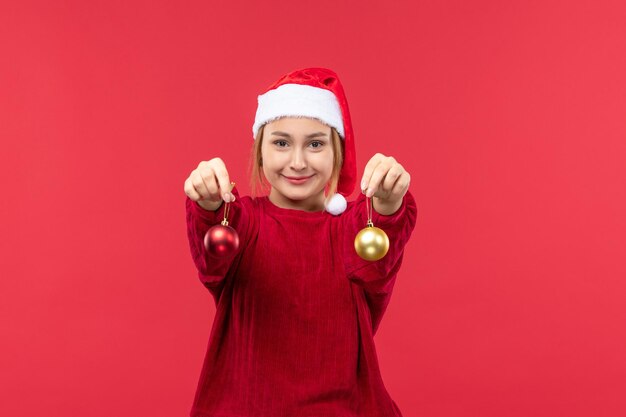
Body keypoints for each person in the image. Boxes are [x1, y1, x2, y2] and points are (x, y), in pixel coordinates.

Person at [183, 67, 417, 417]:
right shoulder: (241, 222)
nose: (297, 161)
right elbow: (212, 249)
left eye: (315, 144)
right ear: (260, 152)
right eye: (281, 142)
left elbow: (383, 242)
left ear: (337, 151)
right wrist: (207, 201)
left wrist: (388, 199)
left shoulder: (353, 229)